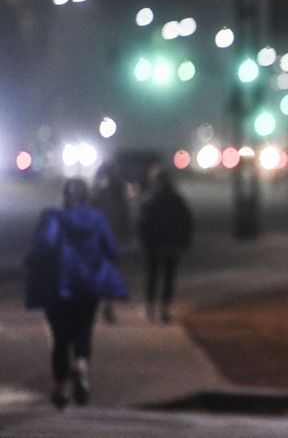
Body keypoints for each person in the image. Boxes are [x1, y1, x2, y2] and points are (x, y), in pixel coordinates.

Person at [24, 178, 128, 409]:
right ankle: (81, 366)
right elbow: (111, 250)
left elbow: (45, 245)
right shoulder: (97, 219)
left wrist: (31, 261)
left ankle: (62, 387)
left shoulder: (53, 218)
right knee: (84, 329)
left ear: (64, 196)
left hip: (59, 285)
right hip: (89, 285)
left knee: (60, 337)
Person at [137, 164, 193, 323]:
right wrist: (184, 241)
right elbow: (186, 221)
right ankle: (164, 309)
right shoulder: (176, 199)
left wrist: (144, 241)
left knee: (152, 276)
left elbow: (142, 223)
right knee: (168, 277)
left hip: (154, 245)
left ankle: (150, 307)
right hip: (171, 244)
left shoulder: (149, 199)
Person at [91, 160, 132, 324]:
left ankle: (100, 304)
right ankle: (107, 305)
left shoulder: (99, 193)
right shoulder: (119, 193)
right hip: (113, 237)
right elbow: (124, 216)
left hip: (100, 238)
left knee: (97, 271)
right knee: (110, 271)